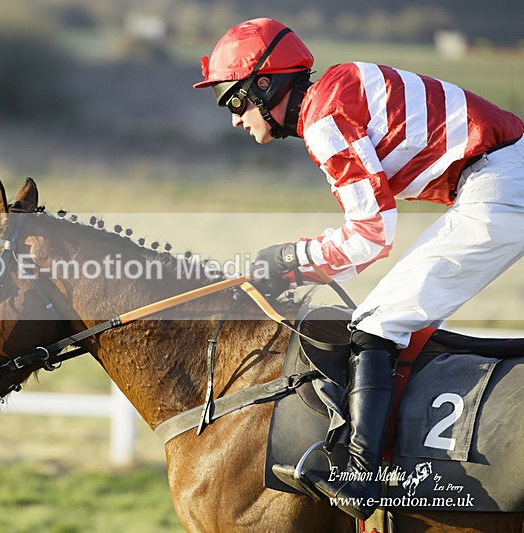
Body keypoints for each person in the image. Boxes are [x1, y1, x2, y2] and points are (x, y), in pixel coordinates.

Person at [193, 17, 524, 520]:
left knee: (377, 322)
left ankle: (357, 475)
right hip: (497, 178)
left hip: (501, 185)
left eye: (235, 101)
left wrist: (290, 260)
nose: (236, 119)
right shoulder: (337, 88)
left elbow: (371, 237)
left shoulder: (325, 119)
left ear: (267, 84)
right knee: (390, 314)